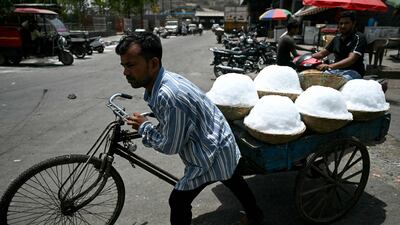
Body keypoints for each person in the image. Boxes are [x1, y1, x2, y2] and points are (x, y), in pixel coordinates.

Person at [115, 32, 264, 225]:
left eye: (131, 65)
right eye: (124, 66)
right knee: (233, 179)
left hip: (212, 151)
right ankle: (256, 216)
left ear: (153, 64)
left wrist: (145, 128)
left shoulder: (169, 95)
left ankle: (255, 216)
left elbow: (170, 146)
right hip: (218, 139)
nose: (125, 72)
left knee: (178, 200)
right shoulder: (160, 82)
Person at [312, 11, 367, 80]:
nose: (343, 26)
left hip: (353, 72)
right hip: (335, 70)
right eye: (341, 23)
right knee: (317, 79)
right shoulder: (336, 39)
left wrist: (330, 66)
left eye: (346, 23)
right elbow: (322, 53)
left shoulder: (359, 37)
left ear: (353, 24)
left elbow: (351, 59)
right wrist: (307, 58)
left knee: (338, 83)